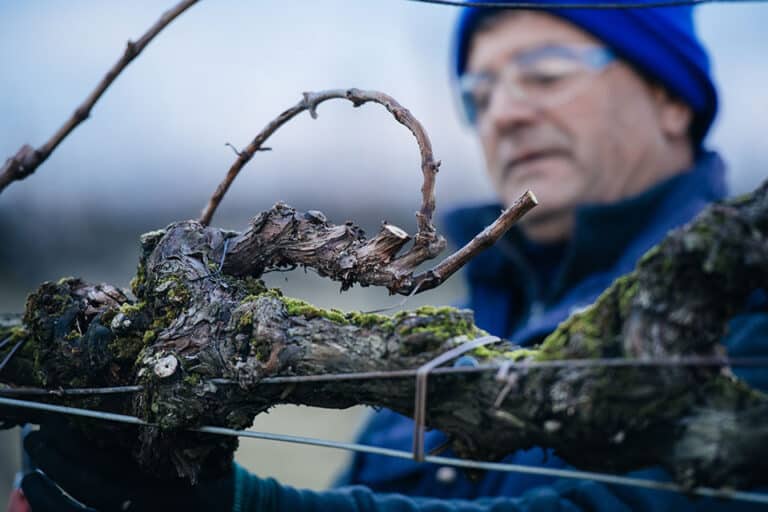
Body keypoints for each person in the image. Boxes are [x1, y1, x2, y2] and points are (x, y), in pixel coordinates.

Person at [8, 1, 768, 511]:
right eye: (481, 89)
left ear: (674, 95)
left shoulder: (746, 308)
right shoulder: (436, 333)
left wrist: (232, 504)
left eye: (544, 72)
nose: (504, 111)